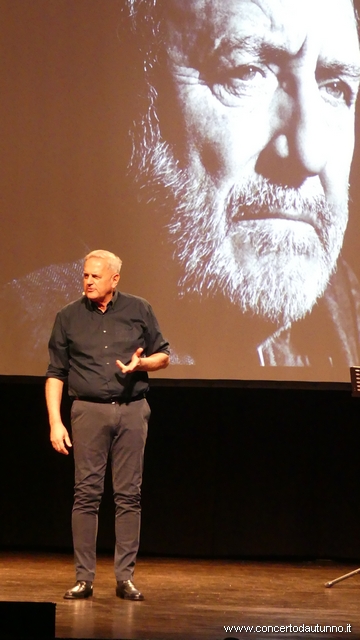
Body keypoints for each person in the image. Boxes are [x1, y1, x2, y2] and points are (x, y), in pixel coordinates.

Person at [124, 0, 360, 369]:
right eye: (247, 72)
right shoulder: (29, 328)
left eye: (335, 88)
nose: (310, 154)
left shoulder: (349, 316)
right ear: (134, 99)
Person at [45, 249, 170, 600]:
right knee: (86, 495)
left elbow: (163, 356)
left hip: (132, 410)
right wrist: (55, 422)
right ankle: (84, 578)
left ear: (114, 279)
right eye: (85, 275)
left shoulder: (139, 309)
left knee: (129, 495)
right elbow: (55, 373)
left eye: (95, 276)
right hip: (87, 412)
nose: (87, 281)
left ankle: (124, 577)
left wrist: (141, 366)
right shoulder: (68, 316)